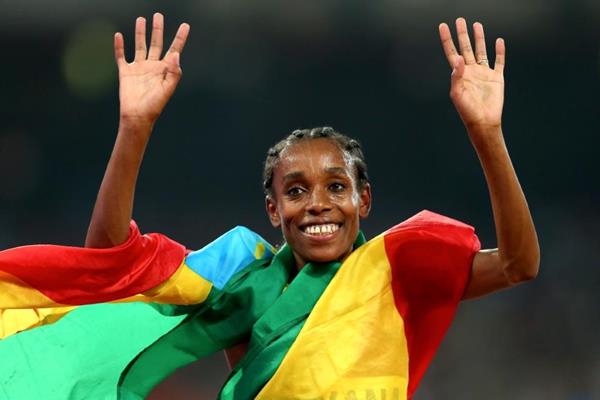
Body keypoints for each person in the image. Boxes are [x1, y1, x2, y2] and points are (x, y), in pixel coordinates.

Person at [0, 13, 539, 400]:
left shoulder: (399, 269)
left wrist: (487, 133)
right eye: (296, 191)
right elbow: (110, 265)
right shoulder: (246, 283)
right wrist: (134, 128)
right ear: (273, 210)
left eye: (336, 186)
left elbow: (519, 264)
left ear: (364, 200)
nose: (317, 204)